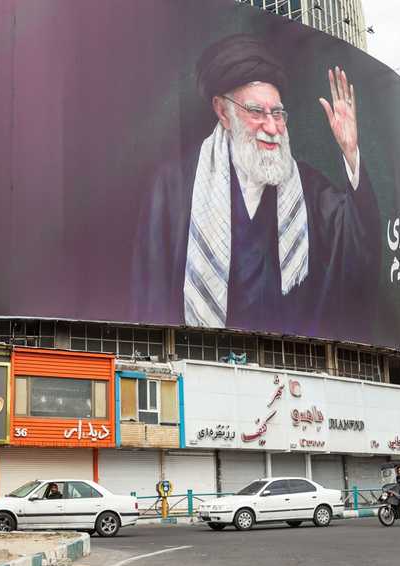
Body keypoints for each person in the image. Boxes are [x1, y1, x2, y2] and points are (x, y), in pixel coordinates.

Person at [132, 34, 381, 338]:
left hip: (289, 358)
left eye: (277, 113)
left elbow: (356, 245)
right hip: (200, 354)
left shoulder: (308, 187)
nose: (272, 127)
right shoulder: (173, 188)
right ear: (223, 112)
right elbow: (152, 295)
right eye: (256, 112)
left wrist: (351, 152)